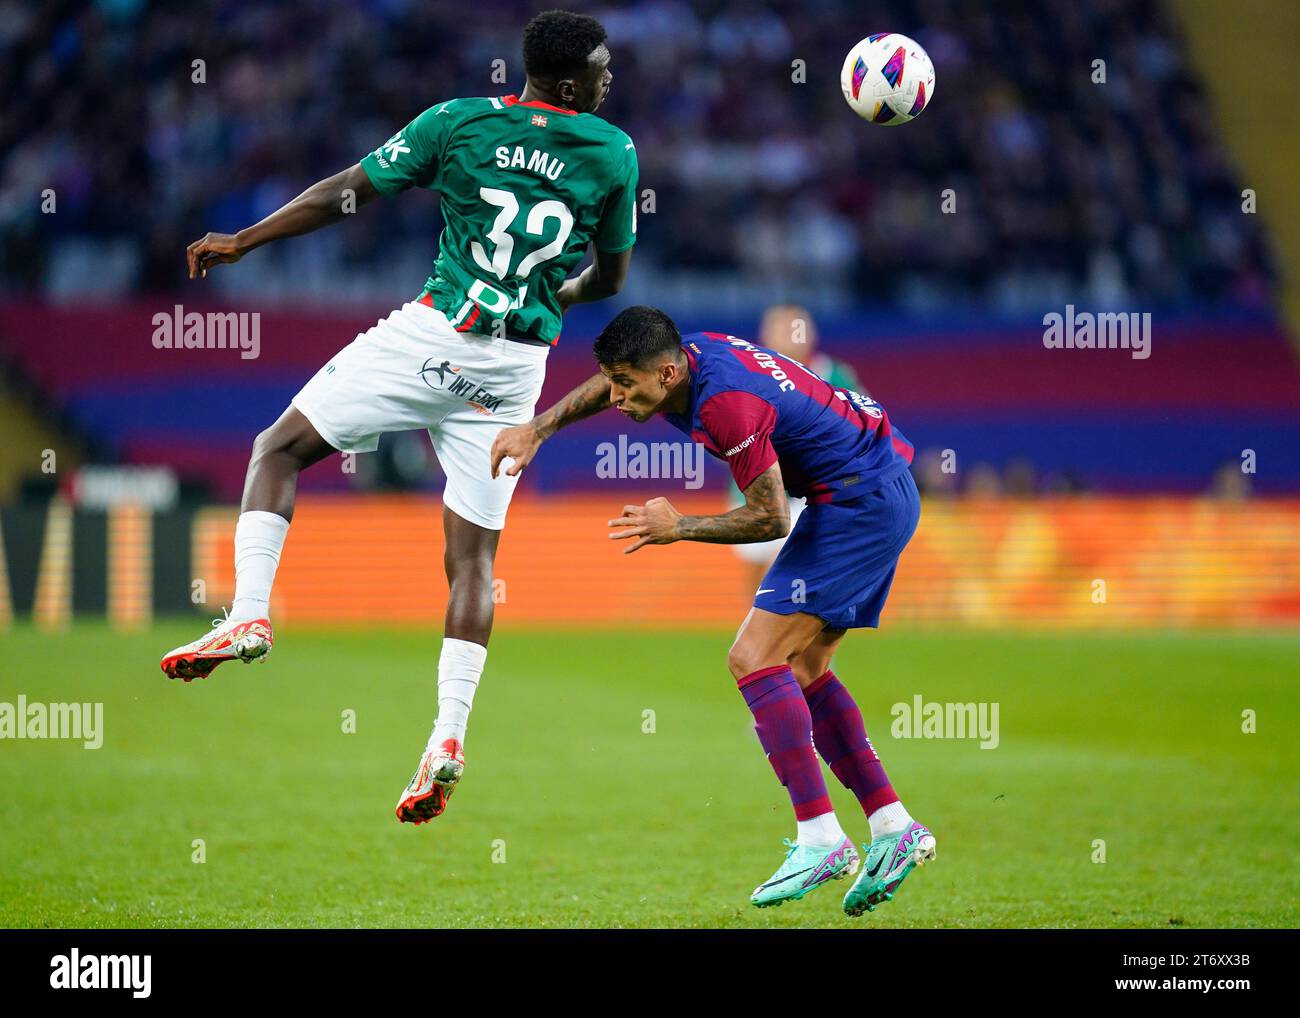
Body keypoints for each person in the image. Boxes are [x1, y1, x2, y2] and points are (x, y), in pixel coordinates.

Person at [159, 10, 638, 826]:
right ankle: (447, 739)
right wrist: (549, 294)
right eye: (600, 70)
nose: (609, 80)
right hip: (514, 372)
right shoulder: (615, 153)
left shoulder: (457, 122)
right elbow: (611, 279)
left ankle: (248, 615)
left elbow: (344, 193)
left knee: (276, 450)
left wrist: (246, 240)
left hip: (431, 336)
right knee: (473, 564)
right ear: (568, 85)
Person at [490, 306, 934, 913]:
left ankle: (820, 837)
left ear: (668, 374)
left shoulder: (726, 405)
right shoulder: (685, 355)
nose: (617, 397)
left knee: (752, 658)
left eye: (627, 384)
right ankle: (892, 828)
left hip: (858, 503)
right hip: (874, 488)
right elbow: (610, 379)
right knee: (802, 670)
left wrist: (680, 527)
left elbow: (772, 516)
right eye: (613, 381)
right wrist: (538, 430)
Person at [730, 305, 865, 596]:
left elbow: (863, 426)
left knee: (784, 567)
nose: (788, 335)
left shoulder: (833, 375)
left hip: (812, 491)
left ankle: (779, 632)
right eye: (779, 327)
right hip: (756, 489)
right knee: (756, 572)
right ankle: (759, 630)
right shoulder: (746, 374)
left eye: (795, 327)